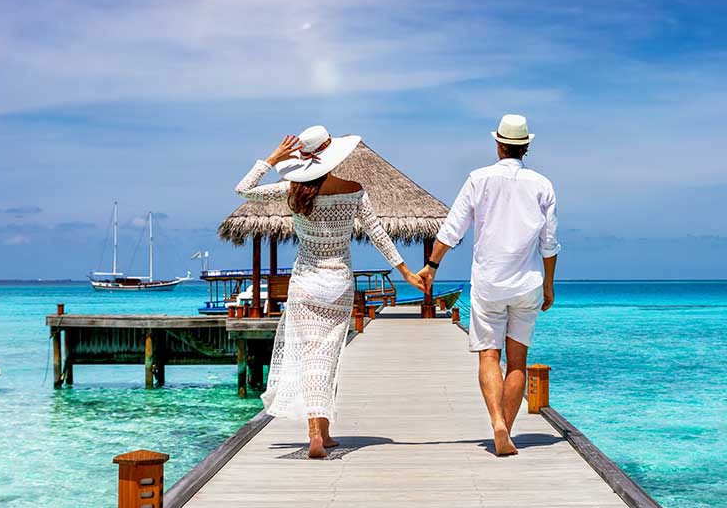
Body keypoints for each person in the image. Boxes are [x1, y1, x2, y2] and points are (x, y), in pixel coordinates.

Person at [235, 126, 428, 458]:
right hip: (338, 282)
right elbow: (378, 234)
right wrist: (406, 272)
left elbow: (243, 190)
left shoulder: (291, 190)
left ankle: (316, 432)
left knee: (309, 355)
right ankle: (322, 432)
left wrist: (271, 159)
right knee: (328, 356)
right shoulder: (353, 191)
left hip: (305, 283)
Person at [419, 114, 560, 456]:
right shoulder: (543, 185)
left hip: (489, 285)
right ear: (526, 147)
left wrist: (431, 266)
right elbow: (550, 243)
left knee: (488, 357)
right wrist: (549, 286)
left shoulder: (478, 179)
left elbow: (452, 229)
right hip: (527, 285)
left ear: (498, 144)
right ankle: (506, 431)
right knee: (517, 363)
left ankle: (496, 421)